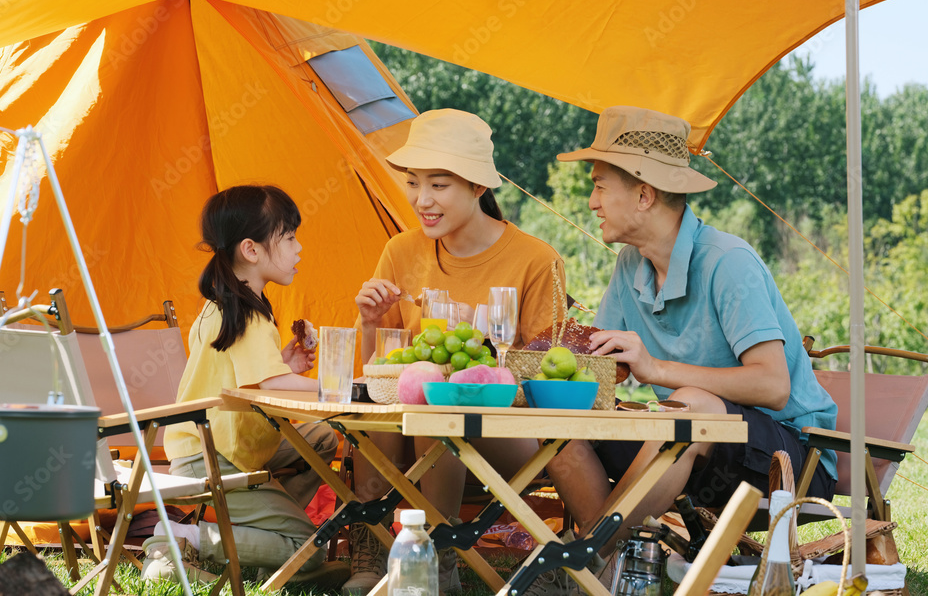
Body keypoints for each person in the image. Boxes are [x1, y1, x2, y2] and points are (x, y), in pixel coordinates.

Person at [548, 105, 838, 573]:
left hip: (785, 460)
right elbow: (596, 371)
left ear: (644, 195)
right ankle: (603, 566)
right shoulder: (631, 264)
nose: (591, 202)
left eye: (599, 185)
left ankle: (583, 560)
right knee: (562, 429)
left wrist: (657, 370)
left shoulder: (728, 262)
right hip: (681, 448)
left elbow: (773, 386)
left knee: (690, 405)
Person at [344, 109, 566, 596]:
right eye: (412, 182)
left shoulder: (535, 260)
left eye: (439, 185)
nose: (422, 200)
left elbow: (547, 377)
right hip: (413, 428)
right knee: (380, 404)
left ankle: (435, 557)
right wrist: (371, 323)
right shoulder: (400, 252)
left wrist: (482, 362)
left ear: (478, 187)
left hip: (509, 432)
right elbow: (377, 373)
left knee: (435, 402)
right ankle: (373, 540)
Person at [143, 185, 349, 587]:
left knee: (321, 438)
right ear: (251, 250)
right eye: (288, 238)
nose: (298, 248)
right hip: (213, 456)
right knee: (308, 548)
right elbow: (271, 384)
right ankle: (187, 538)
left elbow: (249, 376)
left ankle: (261, 541)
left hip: (214, 442)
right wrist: (339, 386)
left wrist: (284, 364)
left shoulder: (224, 304)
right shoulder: (247, 315)